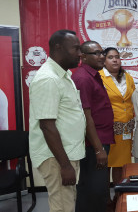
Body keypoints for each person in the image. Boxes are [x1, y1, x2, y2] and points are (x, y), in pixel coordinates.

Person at [29, 29, 85, 212]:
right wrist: (65, 165)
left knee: (67, 202)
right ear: (57, 48)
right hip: (56, 158)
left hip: (65, 153)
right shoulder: (48, 79)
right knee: (62, 206)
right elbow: (47, 126)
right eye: (75, 48)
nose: (79, 53)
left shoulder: (64, 74)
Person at [72, 41, 114, 212]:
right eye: (96, 53)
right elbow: (86, 116)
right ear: (83, 57)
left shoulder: (94, 75)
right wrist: (98, 149)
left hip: (100, 140)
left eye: (102, 52)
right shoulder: (83, 78)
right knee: (93, 190)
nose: (102, 56)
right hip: (93, 145)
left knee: (99, 188)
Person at [99, 47, 135, 207]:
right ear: (104, 61)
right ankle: (105, 199)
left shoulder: (127, 77)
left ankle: (119, 197)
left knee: (121, 165)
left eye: (117, 57)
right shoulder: (99, 77)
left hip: (126, 129)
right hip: (107, 129)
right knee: (105, 166)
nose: (115, 60)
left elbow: (131, 99)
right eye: (110, 57)